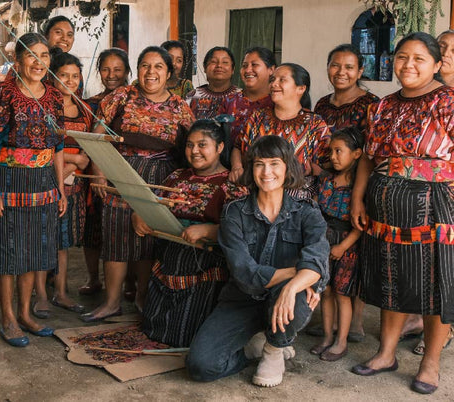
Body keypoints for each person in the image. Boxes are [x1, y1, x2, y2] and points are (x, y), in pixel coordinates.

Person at [351, 32, 454, 395]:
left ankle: (430, 364)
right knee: (391, 278)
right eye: (401, 57)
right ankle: (386, 353)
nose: (408, 65)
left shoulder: (448, 102)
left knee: (433, 286)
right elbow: (368, 157)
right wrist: (358, 199)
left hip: (436, 208)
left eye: (419, 59)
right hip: (384, 207)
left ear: (438, 65)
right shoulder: (381, 106)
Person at [186, 135, 329, 388]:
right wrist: (298, 274)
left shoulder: (307, 212)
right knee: (201, 366)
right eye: (259, 164)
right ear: (251, 169)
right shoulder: (234, 212)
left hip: (282, 299)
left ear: (288, 168)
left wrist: (292, 287)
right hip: (242, 299)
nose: (267, 172)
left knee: (299, 294)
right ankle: (257, 344)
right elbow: (245, 274)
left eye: (275, 163)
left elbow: (318, 260)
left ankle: (274, 348)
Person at [83, 46, 194, 322]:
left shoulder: (180, 106)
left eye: (158, 67)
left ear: (169, 73)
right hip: (120, 171)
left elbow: (192, 146)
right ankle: (111, 302)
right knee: (116, 237)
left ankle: (142, 298)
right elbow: (98, 133)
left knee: (148, 240)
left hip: (160, 177)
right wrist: (98, 172)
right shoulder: (122, 96)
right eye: (145, 65)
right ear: (138, 69)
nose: (151, 72)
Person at [0, 33, 66, 347]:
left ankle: (26, 313)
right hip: (7, 180)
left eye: (44, 55)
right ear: (19, 60)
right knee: (7, 253)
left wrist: (60, 189)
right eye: (31, 55)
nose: (38, 61)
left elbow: (57, 145)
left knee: (31, 252)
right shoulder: (0, 93)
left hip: (42, 184)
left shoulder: (55, 97)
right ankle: (8, 318)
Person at [132, 119, 247, 347]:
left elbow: (244, 231)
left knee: (183, 336)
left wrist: (212, 230)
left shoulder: (231, 186)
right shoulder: (177, 177)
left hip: (204, 270)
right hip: (166, 265)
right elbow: (153, 205)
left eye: (202, 145)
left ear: (220, 147)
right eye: (189, 145)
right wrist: (140, 215)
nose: (194, 151)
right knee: (152, 329)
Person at [308, 44, 380, 343]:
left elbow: (371, 151)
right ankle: (328, 323)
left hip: (359, 182)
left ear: (360, 71)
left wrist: (358, 192)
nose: (341, 72)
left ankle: (355, 321)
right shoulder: (323, 104)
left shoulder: (371, 104)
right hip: (327, 180)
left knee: (354, 257)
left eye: (349, 67)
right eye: (335, 65)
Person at [405, 30, 454, 356]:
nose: (447, 52)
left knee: (443, 276)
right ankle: (420, 321)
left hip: (444, 203)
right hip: (411, 208)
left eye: (453, 48)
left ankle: (439, 333)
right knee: (420, 272)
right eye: (443, 46)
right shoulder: (416, 95)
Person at [230, 63, 330, 199]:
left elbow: (329, 163)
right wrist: (237, 167)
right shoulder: (258, 117)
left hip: (296, 199)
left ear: (301, 88)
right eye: (272, 80)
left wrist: (313, 169)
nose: (273, 84)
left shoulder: (315, 124)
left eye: (282, 80)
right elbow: (238, 147)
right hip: (256, 192)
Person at [43, 52, 92, 314]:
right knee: (42, 239)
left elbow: (91, 151)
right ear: (52, 77)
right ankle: (39, 293)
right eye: (63, 75)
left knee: (63, 242)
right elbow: (39, 145)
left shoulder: (85, 109)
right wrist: (73, 160)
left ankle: (60, 292)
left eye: (75, 75)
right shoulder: (44, 106)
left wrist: (72, 166)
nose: (70, 80)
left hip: (73, 188)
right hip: (43, 182)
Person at [81, 48, 132, 297]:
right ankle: (94, 279)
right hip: (96, 170)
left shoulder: (136, 101)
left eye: (118, 69)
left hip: (127, 173)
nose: (111, 75)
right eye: (105, 69)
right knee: (94, 227)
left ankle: (130, 285)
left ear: (127, 71)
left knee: (127, 231)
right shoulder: (92, 104)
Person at [309, 127, 363, 362]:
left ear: (357, 154)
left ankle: (341, 342)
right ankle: (326, 337)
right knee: (326, 290)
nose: (333, 156)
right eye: (331, 151)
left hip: (346, 244)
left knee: (342, 293)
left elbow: (362, 224)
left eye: (339, 151)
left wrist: (343, 246)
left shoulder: (359, 187)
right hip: (324, 239)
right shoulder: (326, 179)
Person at [218, 46, 275, 143]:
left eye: (254, 65)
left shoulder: (275, 103)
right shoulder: (229, 101)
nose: (248, 70)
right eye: (244, 66)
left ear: (271, 70)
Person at [186, 46, 240, 119]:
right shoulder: (192, 96)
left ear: (232, 69)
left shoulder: (242, 97)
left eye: (225, 62)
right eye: (214, 62)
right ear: (205, 68)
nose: (219, 65)